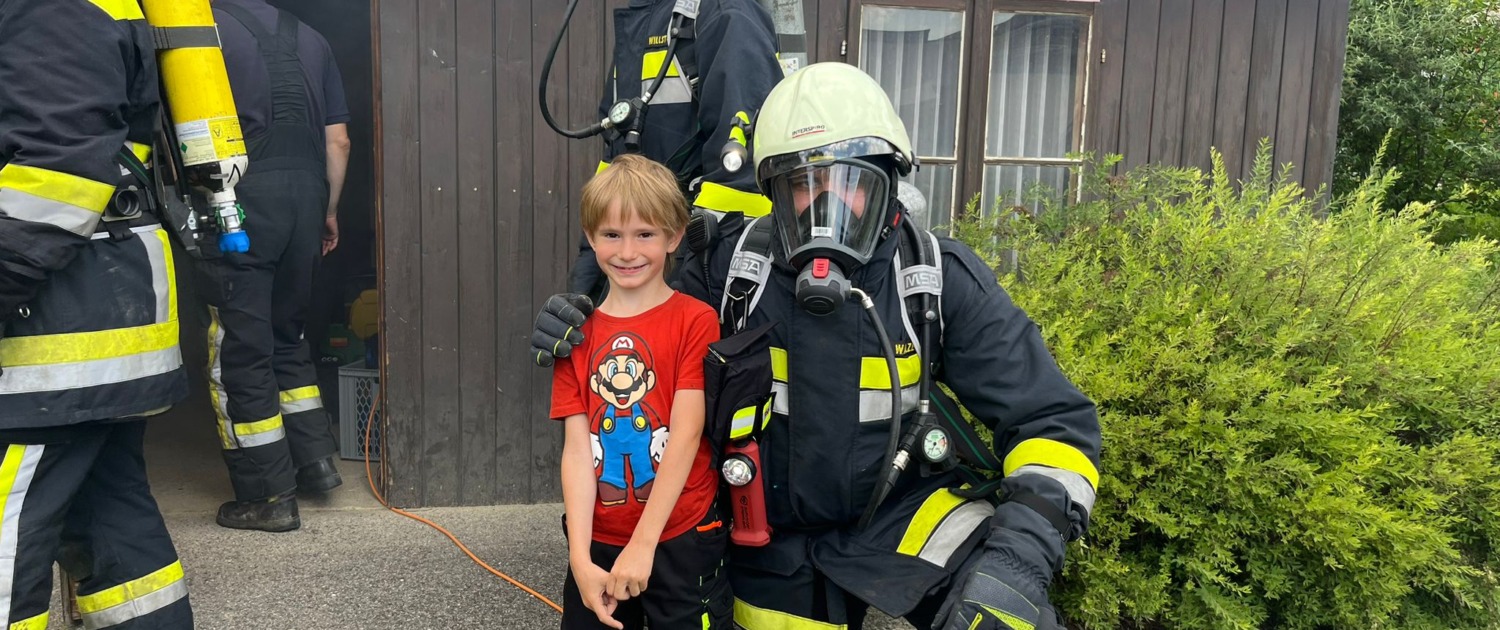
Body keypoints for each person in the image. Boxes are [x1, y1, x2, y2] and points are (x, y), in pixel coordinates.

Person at [533, 63, 1101, 630]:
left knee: (1004, 616)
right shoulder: (733, 267)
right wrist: (583, 316)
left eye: (850, 182)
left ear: (889, 184)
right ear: (772, 192)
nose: (825, 205)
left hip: (902, 512)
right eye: (803, 184)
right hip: (772, 531)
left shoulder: (932, 278)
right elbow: (645, 320)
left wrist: (1019, 561)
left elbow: (1053, 423)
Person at [0, 0, 195, 627]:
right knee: (112, 520)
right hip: (91, 316)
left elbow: (52, 173)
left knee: (9, 528)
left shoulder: (49, 9)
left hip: (53, 330)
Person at [550, 154, 730, 629]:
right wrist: (580, 558)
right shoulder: (575, 334)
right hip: (599, 541)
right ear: (591, 238)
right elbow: (575, 451)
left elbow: (686, 436)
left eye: (645, 234)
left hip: (679, 533)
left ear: (674, 237)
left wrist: (644, 544)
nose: (627, 252)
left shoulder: (696, 320)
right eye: (612, 234)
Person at [201, 0, 353, 531]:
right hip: (307, 194)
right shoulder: (312, 37)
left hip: (243, 198)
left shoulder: (201, 27)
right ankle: (315, 466)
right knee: (288, 334)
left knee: (240, 346)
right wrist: (327, 212)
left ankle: (267, 496)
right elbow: (339, 140)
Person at [568, 0, 784, 299]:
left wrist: (677, 301)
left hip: (695, 282)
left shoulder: (725, 13)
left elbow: (740, 182)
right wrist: (585, 286)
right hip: (641, 279)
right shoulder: (646, 18)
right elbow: (615, 168)